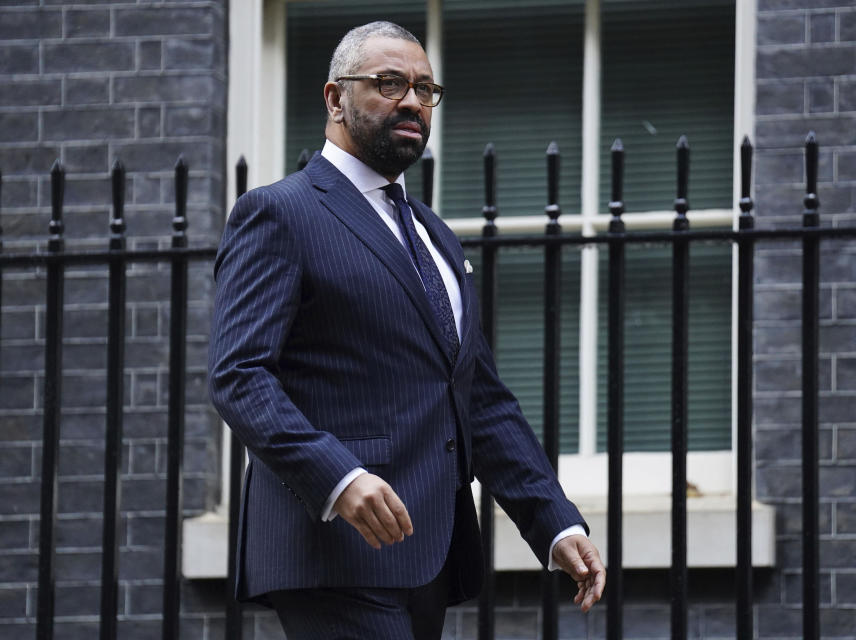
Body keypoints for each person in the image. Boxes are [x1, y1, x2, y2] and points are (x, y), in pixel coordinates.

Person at [208, 20, 605, 640]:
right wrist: (337, 477)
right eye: (389, 83)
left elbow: (477, 398)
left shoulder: (434, 235)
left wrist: (554, 522)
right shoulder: (281, 212)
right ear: (335, 98)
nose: (413, 101)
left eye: (425, 88)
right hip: (331, 551)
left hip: (427, 555)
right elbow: (238, 375)